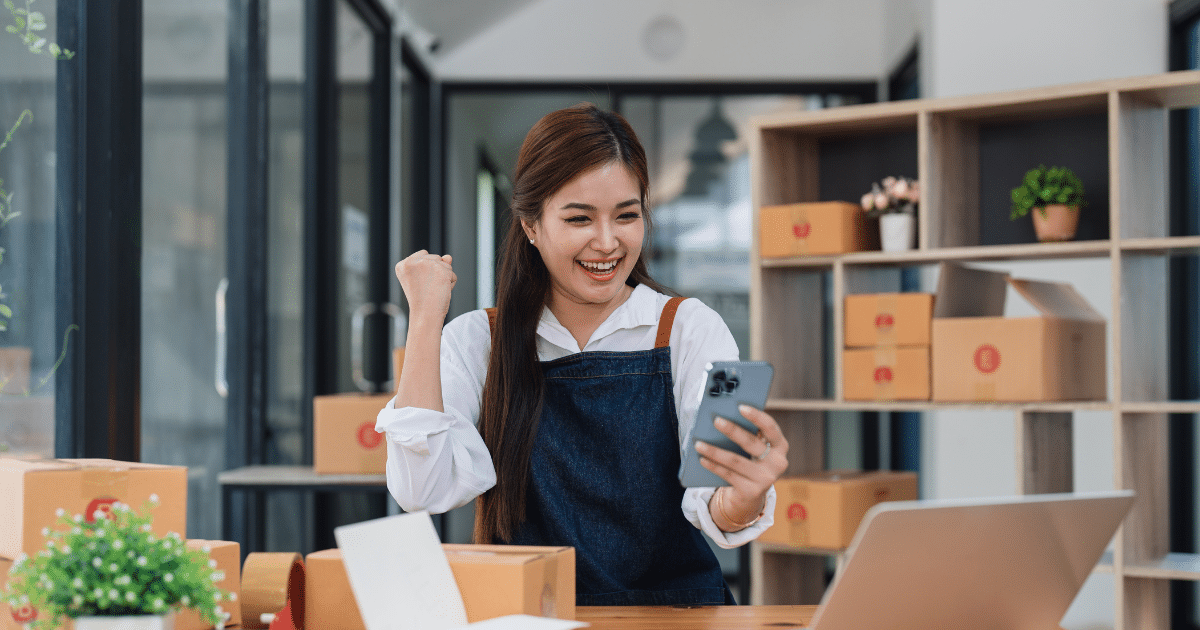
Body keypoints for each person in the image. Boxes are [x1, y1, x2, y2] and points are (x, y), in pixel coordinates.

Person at [376, 103, 789, 606]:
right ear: (531, 224)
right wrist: (424, 321)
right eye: (579, 218)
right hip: (530, 615)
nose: (608, 242)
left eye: (627, 215)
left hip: (674, 617)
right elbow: (424, 491)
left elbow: (715, 503)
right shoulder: (476, 340)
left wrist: (745, 496)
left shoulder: (693, 329)